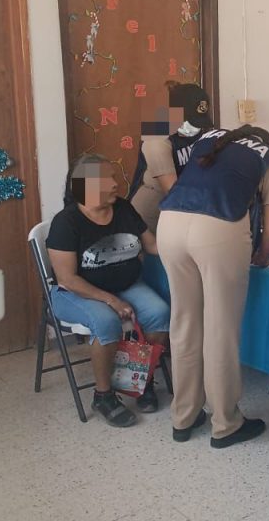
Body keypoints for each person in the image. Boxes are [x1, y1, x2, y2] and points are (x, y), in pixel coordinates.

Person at [157, 124, 269, 449]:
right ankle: (226, 423)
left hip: (169, 224)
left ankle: (183, 416)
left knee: (184, 323)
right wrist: (262, 257)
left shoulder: (210, 138)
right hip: (217, 229)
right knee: (220, 330)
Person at [46, 154, 171, 427]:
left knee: (160, 313)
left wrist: (186, 248)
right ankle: (103, 396)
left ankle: (140, 380)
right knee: (106, 321)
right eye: (107, 179)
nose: (116, 183)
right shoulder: (66, 222)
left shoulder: (124, 209)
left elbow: (151, 245)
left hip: (126, 286)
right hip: (76, 294)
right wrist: (111, 300)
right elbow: (68, 279)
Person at [129, 82, 214, 234]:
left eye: (198, 121)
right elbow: (173, 191)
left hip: (183, 211)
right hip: (150, 214)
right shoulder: (156, 136)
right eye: (189, 121)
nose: (195, 128)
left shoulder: (199, 131)